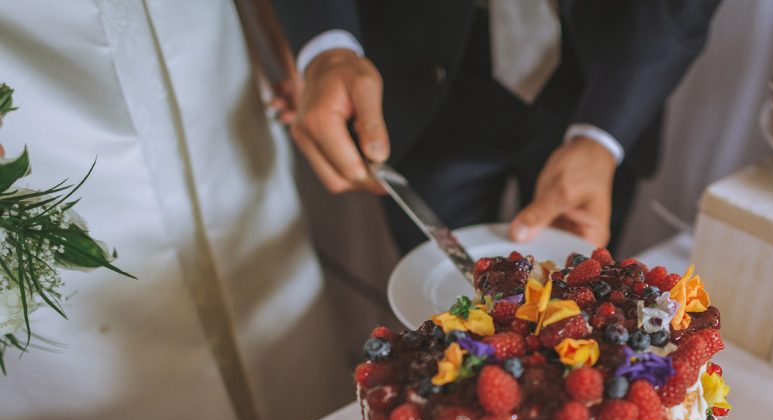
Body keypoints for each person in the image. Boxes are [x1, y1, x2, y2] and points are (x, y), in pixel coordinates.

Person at [273, 0, 721, 253]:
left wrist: (601, 138)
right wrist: (326, 50)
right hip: (423, 76)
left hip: (603, 79)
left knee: (581, 298)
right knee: (439, 315)